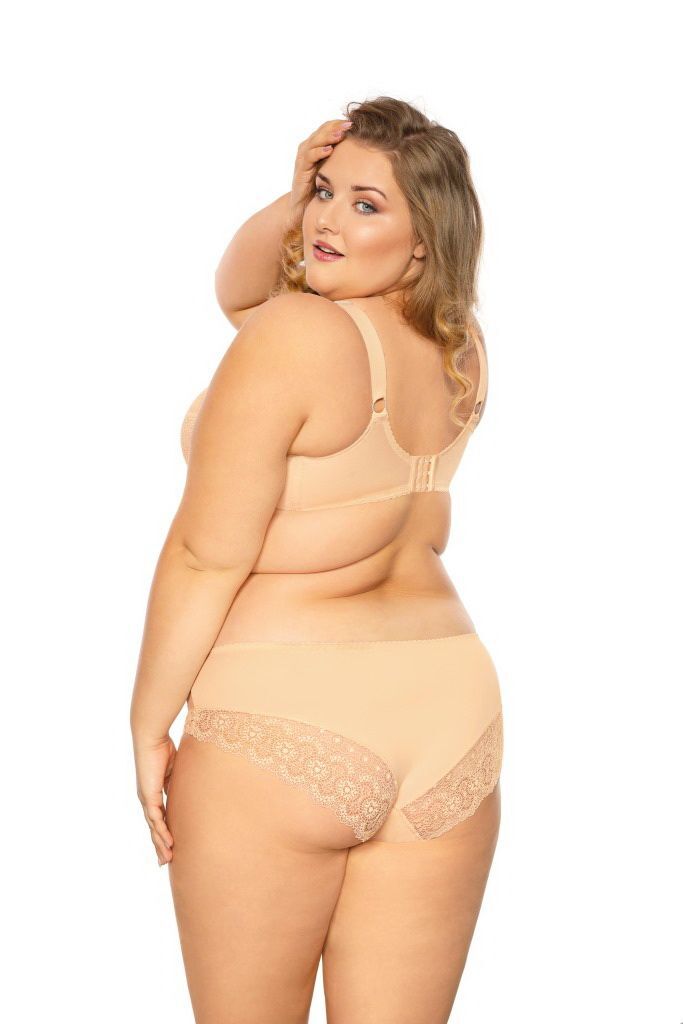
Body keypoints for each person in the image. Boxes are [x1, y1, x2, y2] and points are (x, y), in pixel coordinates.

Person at [130, 95, 504, 1023]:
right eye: (325, 193)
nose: (326, 220)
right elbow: (237, 293)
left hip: (285, 713)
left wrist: (147, 719)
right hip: (449, 714)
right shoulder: (459, 347)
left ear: (420, 243)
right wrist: (291, 197)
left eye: (365, 205)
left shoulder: (293, 337)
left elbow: (204, 555)